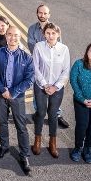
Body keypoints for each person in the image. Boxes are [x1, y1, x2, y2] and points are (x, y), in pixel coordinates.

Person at [0, 26, 34, 176]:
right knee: (2, 122)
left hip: (17, 96)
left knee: (21, 126)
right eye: (9, 35)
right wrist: (3, 90)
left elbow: (30, 79)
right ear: (6, 36)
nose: (12, 38)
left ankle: (24, 156)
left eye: (15, 35)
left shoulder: (26, 57)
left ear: (19, 37)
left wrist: (13, 92)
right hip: (1, 94)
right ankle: (4, 147)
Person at [31, 23, 70, 158]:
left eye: (53, 33)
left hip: (57, 87)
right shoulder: (38, 47)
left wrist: (55, 86)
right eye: (48, 33)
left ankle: (52, 142)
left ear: (58, 34)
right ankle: (37, 140)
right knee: (41, 112)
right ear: (44, 34)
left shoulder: (64, 49)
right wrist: (45, 85)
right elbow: (35, 68)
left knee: (53, 114)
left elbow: (66, 71)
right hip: (41, 85)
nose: (50, 36)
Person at [26, 4, 70, 128]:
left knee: (55, 91)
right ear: (37, 14)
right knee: (38, 89)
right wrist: (40, 53)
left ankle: (57, 114)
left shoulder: (54, 28)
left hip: (53, 63)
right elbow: (31, 45)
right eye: (40, 13)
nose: (42, 15)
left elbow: (58, 46)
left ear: (49, 15)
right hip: (38, 61)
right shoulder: (32, 29)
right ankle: (39, 112)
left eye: (45, 13)